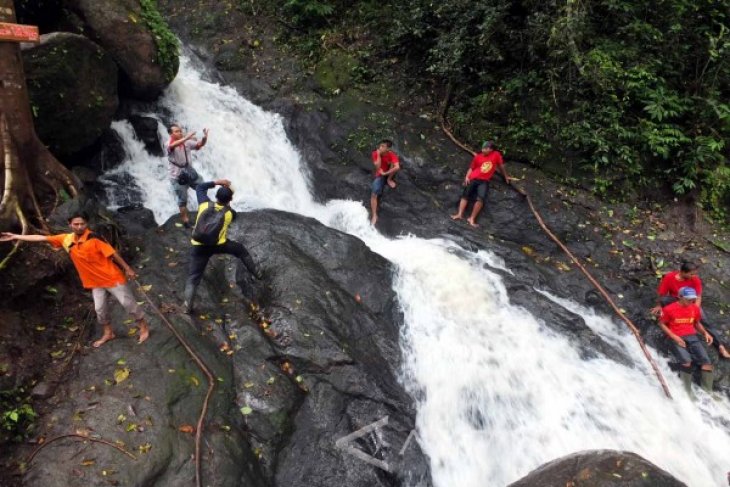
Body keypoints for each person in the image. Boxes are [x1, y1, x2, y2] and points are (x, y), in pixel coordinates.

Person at [0, 212, 150, 348]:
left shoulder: (94, 239)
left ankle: (143, 327)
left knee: (128, 303)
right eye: (76, 224)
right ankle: (108, 333)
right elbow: (41, 238)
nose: (79, 227)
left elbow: (113, 254)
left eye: (82, 224)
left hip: (112, 277)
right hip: (94, 282)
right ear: (70, 225)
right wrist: (16, 236)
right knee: (99, 309)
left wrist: (128, 268)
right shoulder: (66, 239)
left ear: (86, 224)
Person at [183, 179, 263, 314]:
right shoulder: (229, 214)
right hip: (218, 245)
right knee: (240, 250)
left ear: (216, 197)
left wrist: (218, 182)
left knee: (193, 278)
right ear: (230, 199)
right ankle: (257, 274)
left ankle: (187, 307)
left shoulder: (204, 204)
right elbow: (233, 213)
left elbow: (200, 187)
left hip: (199, 246)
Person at [650, 261, 730, 359]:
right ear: (682, 272)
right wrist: (659, 306)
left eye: (694, 273)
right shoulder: (669, 277)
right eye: (691, 274)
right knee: (664, 300)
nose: (694, 276)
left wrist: (694, 310)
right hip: (677, 301)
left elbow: (698, 296)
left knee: (704, 321)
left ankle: (720, 346)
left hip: (691, 304)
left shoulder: (695, 279)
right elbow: (662, 293)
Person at [658, 286, 714, 394]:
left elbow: (696, 323)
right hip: (675, 336)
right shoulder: (669, 309)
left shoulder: (694, 308)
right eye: (688, 298)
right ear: (680, 296)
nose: (691, 301)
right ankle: (687, 391)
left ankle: (708, 392)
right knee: (686, 361)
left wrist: (705, 333)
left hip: (692, 336)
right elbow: (661, 324)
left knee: (706, 362)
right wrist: (675, 337)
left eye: (693, 298)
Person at [450, 141, 511, 227]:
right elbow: (471, 168)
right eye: (483, 148)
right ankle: (459, 214)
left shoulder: (496, 155)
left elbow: (501, 166)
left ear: (491, 149)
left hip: (484, 181)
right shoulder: (478, 157)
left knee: (481, 199)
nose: (483, 150)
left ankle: (471, 218)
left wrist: (506, 176)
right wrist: (467, 177)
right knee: (465, 195)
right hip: (473, 178)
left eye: (485, 148)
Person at [168, 123, 209, 228]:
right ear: (170, 134)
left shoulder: (186, 143)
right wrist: (187, 137)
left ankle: (204, 210)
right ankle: (186, 221)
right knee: (183, 200)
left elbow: (199, 145)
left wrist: (205, 138)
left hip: (189, 172)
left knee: (202, 186)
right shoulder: (168, 143)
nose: (180, 132)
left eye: (180, 131)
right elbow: (172, 146)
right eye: (176, 131)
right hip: (177, 177)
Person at [370, 139, 400, 225]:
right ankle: (374, 215)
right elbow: (377, 166)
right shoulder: (375, 153)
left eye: (383, 146)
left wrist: (386, 174)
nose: (380, 147)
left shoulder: (391, 154)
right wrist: (379, 155)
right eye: (380, 145)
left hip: (388, 172)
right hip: (380, 173)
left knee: (393, 165)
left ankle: (389, 179)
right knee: (374, 194)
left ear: (388, 149)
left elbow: (397, 167)